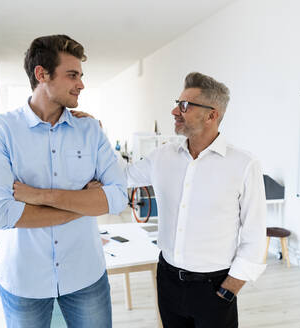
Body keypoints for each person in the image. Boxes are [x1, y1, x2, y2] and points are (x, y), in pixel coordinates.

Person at [73, 72, 267, 328]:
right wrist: (98, 134)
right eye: (178, 102)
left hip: (215, 287)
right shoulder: (163, 156)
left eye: (185, 106)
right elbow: (121, 176)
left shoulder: (243, 164)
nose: (175, 111)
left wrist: (229, 289)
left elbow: (255, 235)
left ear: (212, 115)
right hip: (167, 279)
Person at [0, 34, 127, 328]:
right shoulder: (0, 131)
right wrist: (84, 203)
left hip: (85, 274)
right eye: (72, 75)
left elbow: (118, 197)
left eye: (81, 76)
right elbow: (1, 213)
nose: (81, 84)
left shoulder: (90, 130)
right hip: (24, 279)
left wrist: (39, 196)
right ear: (41, 74)